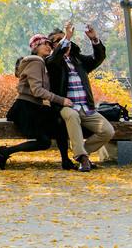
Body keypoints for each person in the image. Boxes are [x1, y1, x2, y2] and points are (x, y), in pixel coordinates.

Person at [45, 21, 115, 172]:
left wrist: (94, 39)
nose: (66, 42)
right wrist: (68, 37)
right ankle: (83, 158)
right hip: (66, 107)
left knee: (108, 131)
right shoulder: (52, 62)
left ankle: (82, 153)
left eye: (66, 39)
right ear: (52, 46)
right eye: (60, 40)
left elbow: (98, 58)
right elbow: (54, 59)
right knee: (71, 115)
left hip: (86, 108)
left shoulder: (78, 60)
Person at [0, 34, 75, 170]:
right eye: (43, 44)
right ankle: (6, 151)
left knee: (59, 121)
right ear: (35, 47)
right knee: (45, 142)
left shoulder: (42, 63)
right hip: (25, 108)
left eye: (49, 44)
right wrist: (61, 100)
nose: (48, 46)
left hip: (34, 107)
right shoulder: (35, 61)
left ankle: (66, 160)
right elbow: (37, 91)